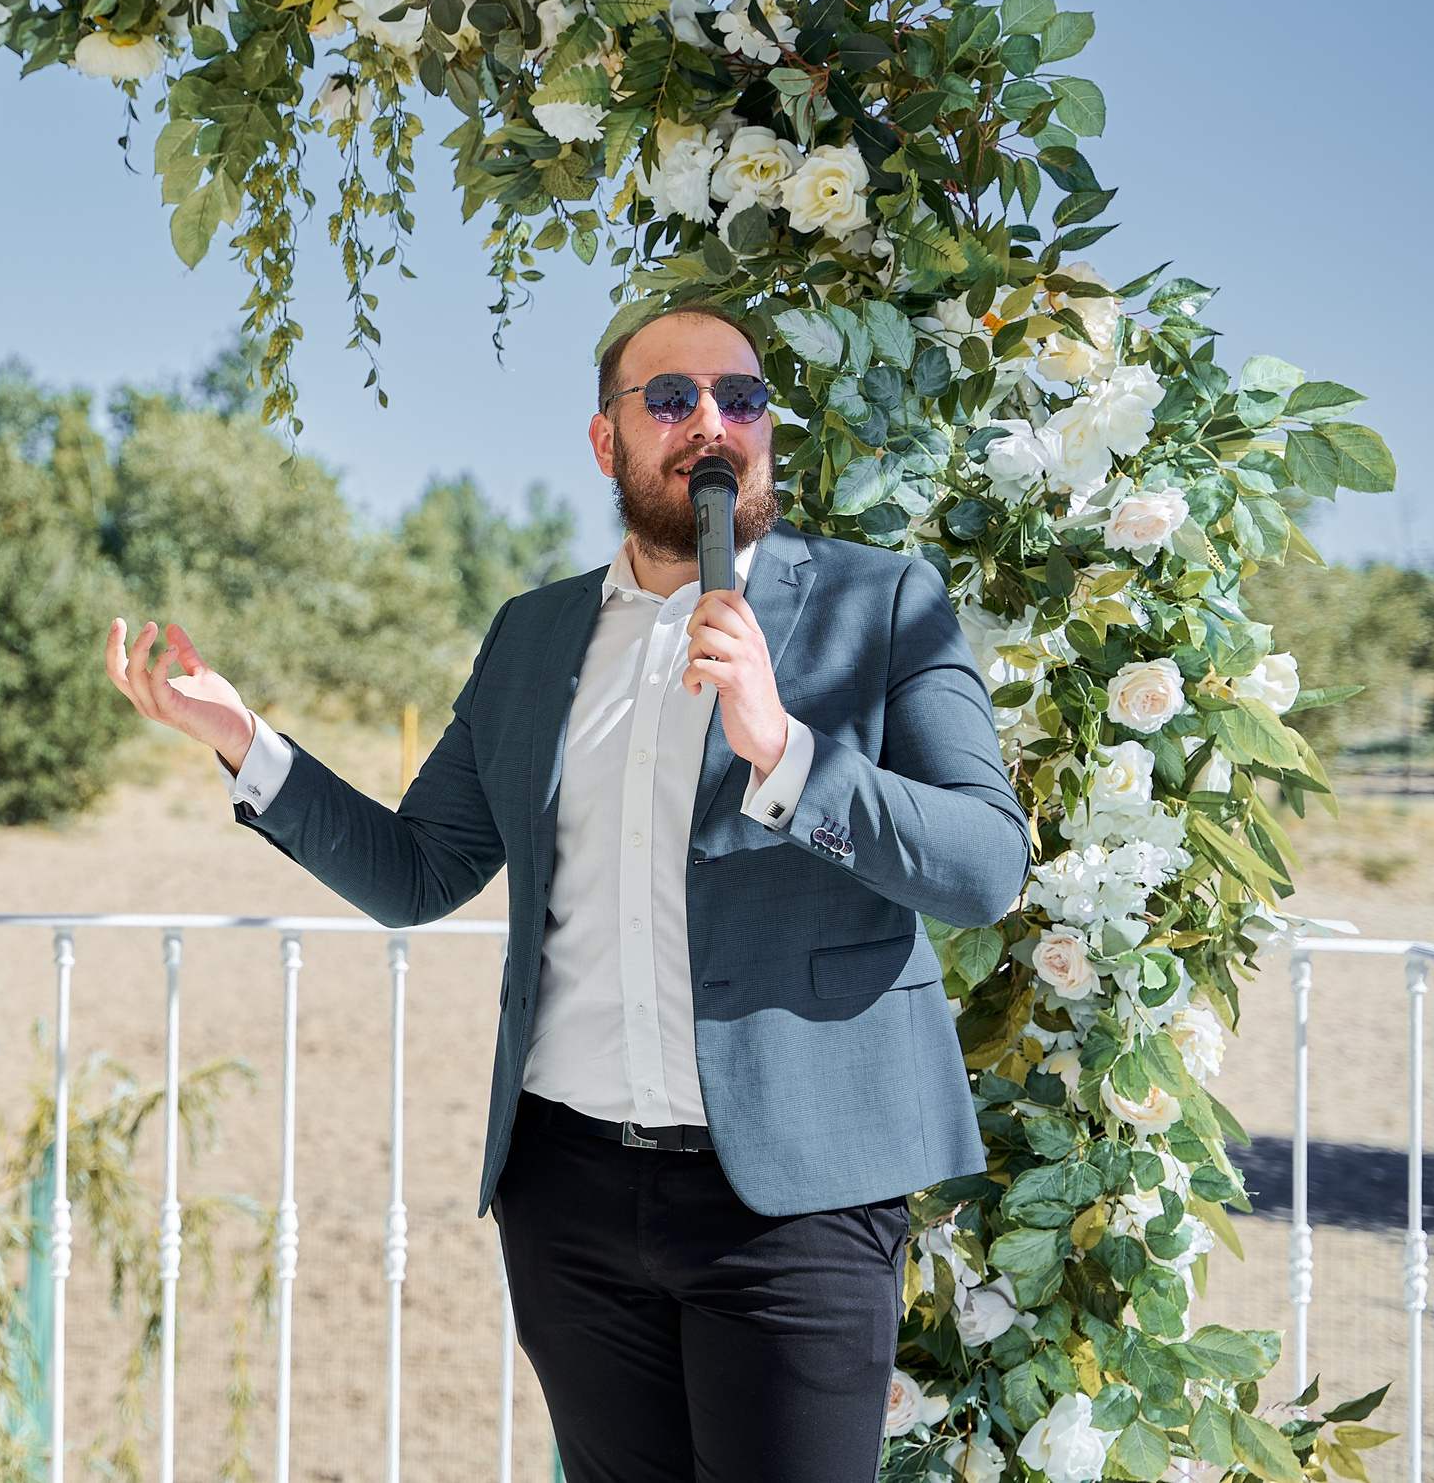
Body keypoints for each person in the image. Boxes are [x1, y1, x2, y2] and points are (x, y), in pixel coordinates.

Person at [102, 301, 1027, 1482]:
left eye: (740, 401)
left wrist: (783, 748)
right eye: (672, 398)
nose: (713, 423)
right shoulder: (531, 636)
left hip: (795, 1199)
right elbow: (417, 874)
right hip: (571, 1198)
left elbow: (984, 866)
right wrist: (246, 745)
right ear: (606, 443)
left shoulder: (881, 603)